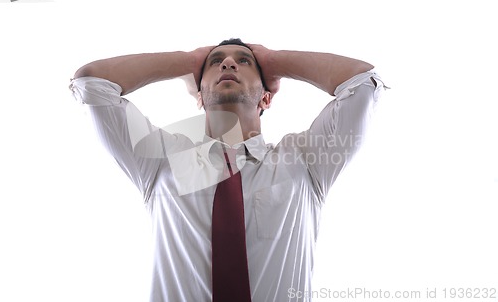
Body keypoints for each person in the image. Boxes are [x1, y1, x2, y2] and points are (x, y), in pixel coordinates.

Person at [70, 38, 386, 302]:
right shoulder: (161, 161)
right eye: (217, 62)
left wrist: (275, 61)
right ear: (199, 99)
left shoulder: (305, 161)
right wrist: (188, 60)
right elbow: (93, 83)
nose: (228, 64)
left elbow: (360, 84)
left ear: (266, 96)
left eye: (244, 62)